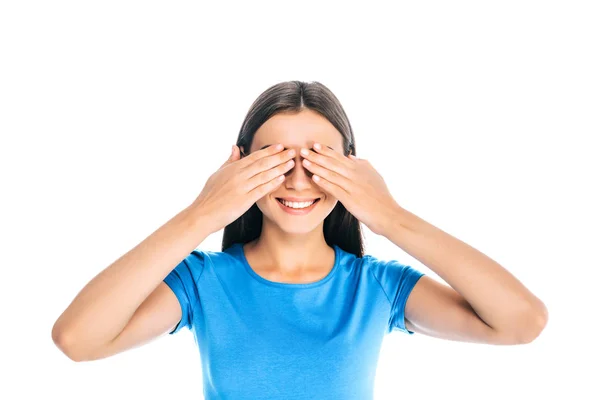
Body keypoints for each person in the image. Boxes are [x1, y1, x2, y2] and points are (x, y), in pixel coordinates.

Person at [52, 80, 548, 399]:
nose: (297, 179)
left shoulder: (375, 287)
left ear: (352, 168)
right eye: (274, 158)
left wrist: (390, 216)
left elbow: (522, 323)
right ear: (240, 164)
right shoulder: (204, 281)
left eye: (319, 160)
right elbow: (77, 339)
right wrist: (201, 213)